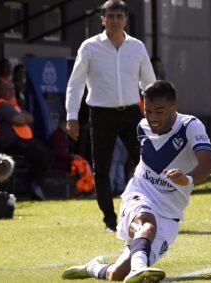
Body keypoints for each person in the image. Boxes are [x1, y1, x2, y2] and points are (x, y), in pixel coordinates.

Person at [61, 80, 211, 282]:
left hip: (170, 214)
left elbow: (208, 164)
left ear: (174, 108)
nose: (152, 118)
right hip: (140, 193)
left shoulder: (190, 126)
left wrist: (187, 178)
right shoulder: (142, 127)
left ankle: (93, 267)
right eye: (148, 111)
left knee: (117, 274)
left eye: (159, 111)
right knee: (147, 224)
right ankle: (139, 267)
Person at [65, 0, 156, 232]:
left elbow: (150, 84)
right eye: (110, 16)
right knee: (101, 169)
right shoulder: (89, 47)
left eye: (119, 16)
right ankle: (110, 221)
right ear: (102, 20)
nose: (115, 20)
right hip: (100, 115)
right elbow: (75, 85)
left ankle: (146, 212)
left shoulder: (137, 47)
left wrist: (158, 115)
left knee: (145, 165)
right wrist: (72, 116)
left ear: (126, 19)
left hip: (131, 113)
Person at [0, 79, 51, 200]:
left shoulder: (15, 105)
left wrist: (23, 117)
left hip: (23, 141)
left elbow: (30, 117)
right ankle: (29, 182)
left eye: (12, 89)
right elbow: (19, 120)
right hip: (10, 143)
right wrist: (23, 117)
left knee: (48, 154)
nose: (11, 92)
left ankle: (32, 182)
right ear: (0, 91)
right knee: (42, 154)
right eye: (7, 89)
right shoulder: (2, 105)